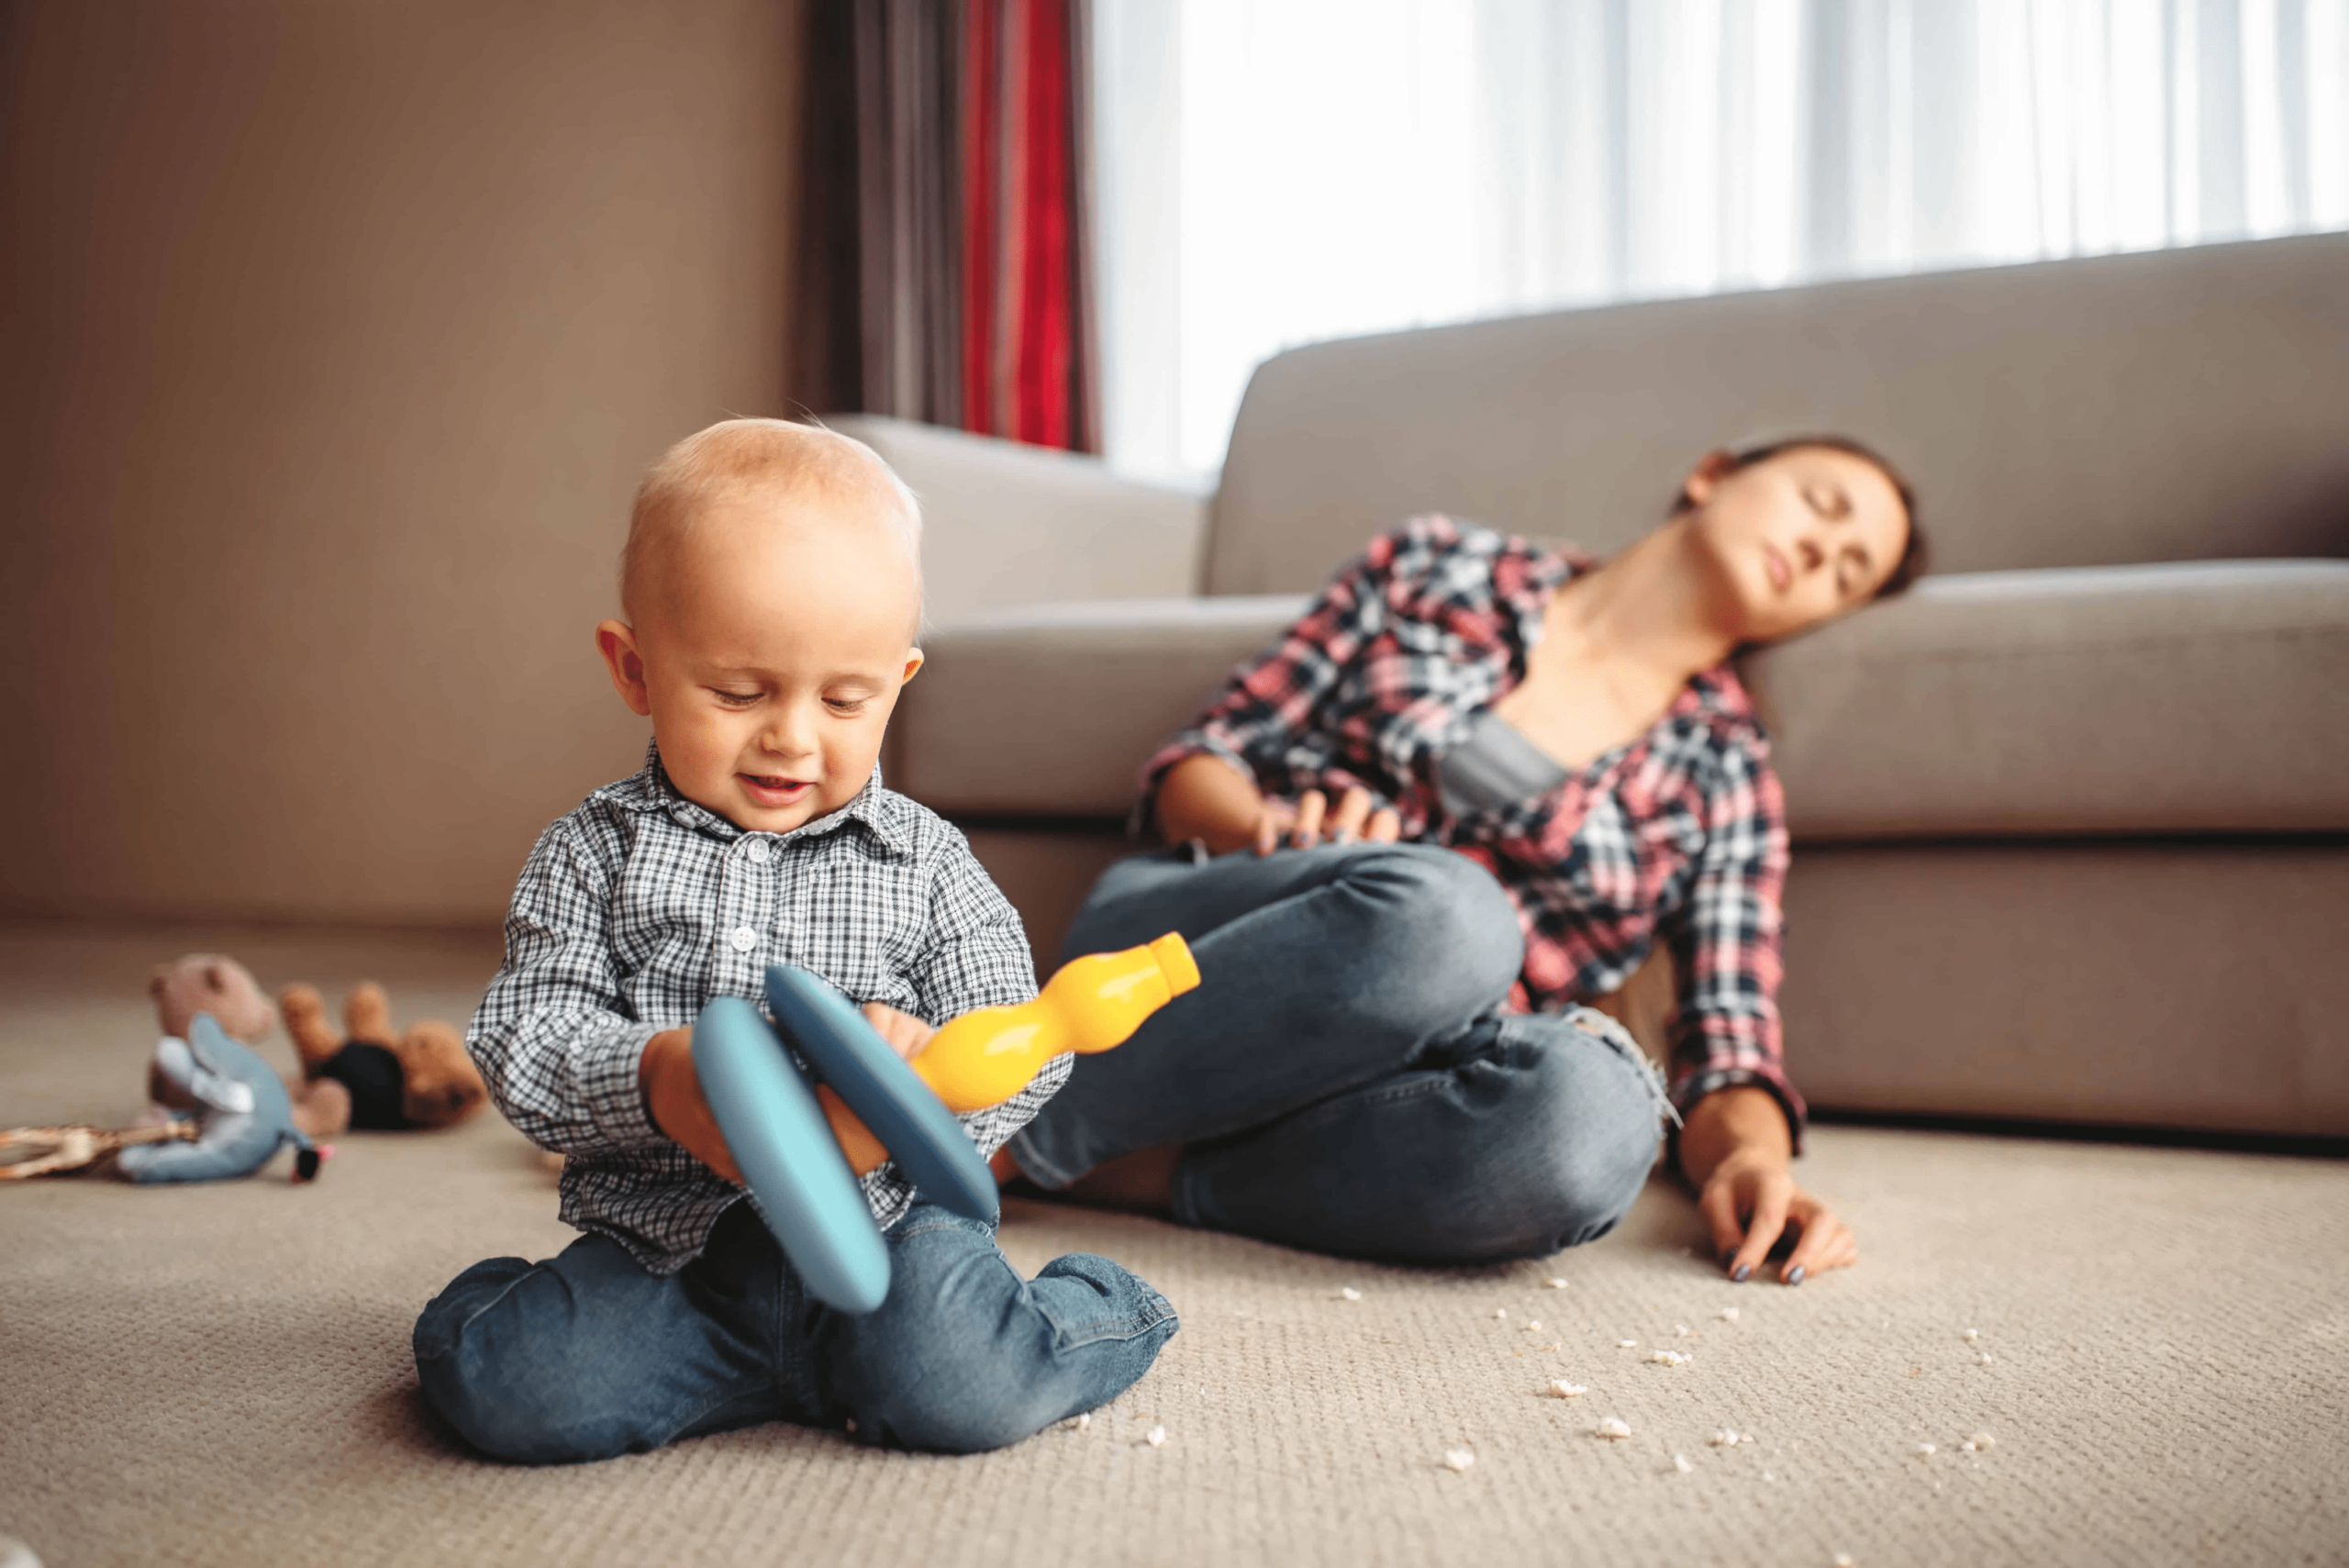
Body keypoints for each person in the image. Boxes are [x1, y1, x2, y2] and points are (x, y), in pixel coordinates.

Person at [413, 419, 1175, 1463]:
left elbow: (1024, 1035)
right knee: (515, 1391)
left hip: (892, 1246)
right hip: (676, 1254)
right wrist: (654, 1073)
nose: (790, 735)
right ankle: (516, 1304)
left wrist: (927, 1076)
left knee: (963, 1386)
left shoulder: (927, 862)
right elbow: (523, 1033)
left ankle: (1096, 1305)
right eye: (737, 691)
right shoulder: (593, 851)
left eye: (844, 697)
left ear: (898, 680)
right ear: (634, 669)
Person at [997, 437, 1923, 1288]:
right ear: (1714, 473)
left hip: (1416, 1070)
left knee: (1599, 1123)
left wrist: (1751, 1160)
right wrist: (1268, 827)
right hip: (1207, 953)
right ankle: (1008, 1125)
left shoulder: (1728, 773)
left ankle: (1139, 1167)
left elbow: (1731, 1031)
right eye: (1820, 505)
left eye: (1847, 572)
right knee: (1442, 914)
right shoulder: (1435, 565)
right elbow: (1200, 759)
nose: (1814, 555)